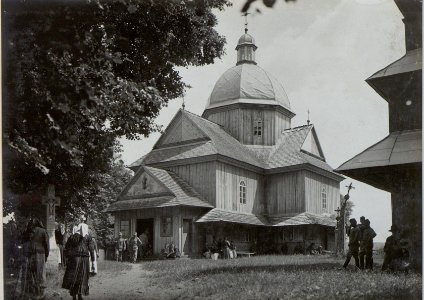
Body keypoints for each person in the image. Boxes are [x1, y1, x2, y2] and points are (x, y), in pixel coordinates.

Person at [62, 226, 95, 300]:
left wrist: (67, 259)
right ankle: (80, 295)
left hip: (74, 258)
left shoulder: (72, 237)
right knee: (82, 277)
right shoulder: (88, 237)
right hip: (84, 259)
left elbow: (67, 248)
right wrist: (93, 260)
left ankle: (74, 296)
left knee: (74, 276)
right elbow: (92, 249)